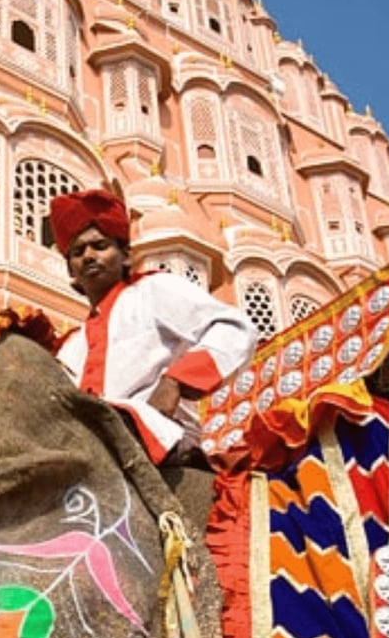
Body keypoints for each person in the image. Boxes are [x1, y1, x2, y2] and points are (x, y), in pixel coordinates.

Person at [50, 188, 255, 465]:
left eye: (100, 246)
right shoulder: (71, 347)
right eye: (78, 251)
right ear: (71, 271)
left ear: (125, 256)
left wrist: (176, 381)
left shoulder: (154, 290)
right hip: (92, 457)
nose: (88, 256)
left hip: (161, 435)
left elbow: (235, 328)